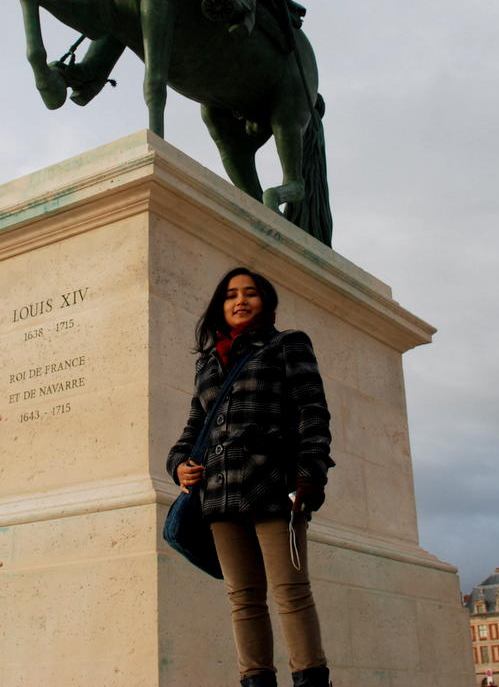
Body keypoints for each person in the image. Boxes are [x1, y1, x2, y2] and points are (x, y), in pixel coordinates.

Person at [167, 267, 334, 687]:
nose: (240, 301)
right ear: (219, 307)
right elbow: (193, 429)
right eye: (230, 295)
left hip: (273, 483)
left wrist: (310, 475)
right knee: (243, 599)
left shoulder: (287, 344)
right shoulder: (208, 363)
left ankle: (310, 679)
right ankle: (256, 680)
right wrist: (178, 464)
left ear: (266, 302)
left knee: (291, 590)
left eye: (250, 293)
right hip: (218, 492)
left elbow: (312, 412)